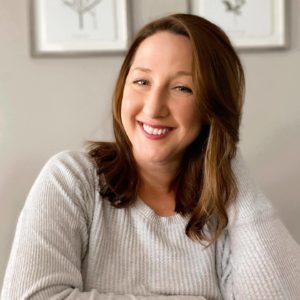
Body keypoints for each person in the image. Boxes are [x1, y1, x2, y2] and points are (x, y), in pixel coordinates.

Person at [1, 13, 299, 300]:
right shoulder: (70, 179)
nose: (154, 108)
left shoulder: (222, 205)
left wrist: (227, 156)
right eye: (142, 82)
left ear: (212, 107)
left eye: (182, 88)